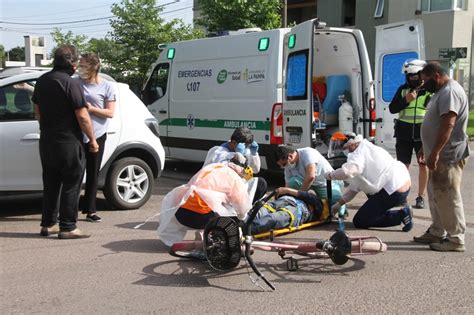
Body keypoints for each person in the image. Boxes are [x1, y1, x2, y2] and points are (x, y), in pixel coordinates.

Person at [32, 44, 98, 239]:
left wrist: (46, 127)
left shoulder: (42, 81)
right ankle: (68, 226)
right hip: (68, 141)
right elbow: (83, 116)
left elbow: (37, 110)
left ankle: (48, 224)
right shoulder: (71, 83)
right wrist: (92, 140)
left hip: (47, 140)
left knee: (51, 182)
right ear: (73, 64)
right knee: (71, 182)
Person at [414, 62, 470, 252]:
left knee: (448, 195)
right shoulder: (440, 91)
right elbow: (435, 123)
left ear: (436, 76)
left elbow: (448, 124)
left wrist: (436, 151)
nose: (423, 84)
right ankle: (437, 231)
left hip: (448, 154)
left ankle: (456, 239)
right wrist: (425, 146)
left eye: (425, 80)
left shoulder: (450, 92)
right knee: (435, 193)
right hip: (436, 154)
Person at [157, 153, 253, 246]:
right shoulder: (234, 178)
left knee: (210, 205)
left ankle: (203, 232)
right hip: (200, 218)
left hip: (179, 212)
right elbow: (242, 207)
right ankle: (207, 235)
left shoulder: (213, 167)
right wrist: (242, 220)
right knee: (231, 218)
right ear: (242, 169)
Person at [325, 134, 413, 232]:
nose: (345, 151)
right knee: (369, 193)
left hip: (393, 190)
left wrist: (331, 175)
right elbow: (355, 187)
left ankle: (402, 215)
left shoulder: (357, 154)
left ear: (352, 145)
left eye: (345, 148)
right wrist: (339, 204)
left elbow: (347, 172)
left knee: (360, 221)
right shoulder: (368, 148)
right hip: (401, 184)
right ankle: (383, 212)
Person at [77, 53, 116, 222]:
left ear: (93, 68)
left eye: (83, 65)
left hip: (98, 134)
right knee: (76, 171)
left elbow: (110, 112)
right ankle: (70, 208)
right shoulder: (74, 81)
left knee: (93, 172)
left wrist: (91, 109)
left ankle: (90, 210)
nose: (80, 68)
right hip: (77, 133)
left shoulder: (107, 86)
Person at [389, 59, 431, 209]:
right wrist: (406, 100)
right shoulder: (402, 89)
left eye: (414, 75)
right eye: (409, 76)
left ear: (421, 75)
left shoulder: (428, 91)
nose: (411, 78)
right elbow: (392, 108)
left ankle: (421, 197)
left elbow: (434, 112)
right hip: (403, 133)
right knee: (403, 167)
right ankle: (403, 195)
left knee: (422, 164)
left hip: (422, 132)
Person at [204, 127, 267, 202]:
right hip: (219, 190)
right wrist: (237, 156)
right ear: (233, 142)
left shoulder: (244, 150)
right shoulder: (217, 151)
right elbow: (223, 173)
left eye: (247, 146)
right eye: (245, 146)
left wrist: (254, 154)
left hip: (237, 188)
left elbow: (255, 170)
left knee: (261, 184)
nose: (246, 148)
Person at [274, 145, 344, 211]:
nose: (283, 167)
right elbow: (288, 186)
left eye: (284, 164)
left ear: (290, 156)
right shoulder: (288, 166)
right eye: (281, 166)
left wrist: (300, 197)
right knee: (292, 182)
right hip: (306, 182)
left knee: (335, 204)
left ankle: (336, 200)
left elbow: (311, 176)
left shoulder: (308, 153)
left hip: (324, 183)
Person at [251, 187, 323, 234]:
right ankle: (243, 223)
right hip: (285, 200)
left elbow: (308, 196)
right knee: (259, 211)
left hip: (297, 209)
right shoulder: (296, 195)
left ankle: (246, 229)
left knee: (273, 218)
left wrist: (287, 190)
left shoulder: (317, 202)